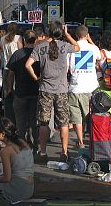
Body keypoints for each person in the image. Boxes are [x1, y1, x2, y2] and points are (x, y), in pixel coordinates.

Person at [25, 22, 80, 163]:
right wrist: (67, 35)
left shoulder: (40, 47)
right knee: (63, 123)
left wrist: (36, 77)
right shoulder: (64, 46)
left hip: (45, 89)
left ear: (48, 32)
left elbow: (28, 65)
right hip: (61, 89)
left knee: (43, 122)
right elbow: (78, 47)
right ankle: (64, 152)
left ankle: (42, 152)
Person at [0, 117, 34, 206]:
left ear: (3, 133)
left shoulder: (6, 151)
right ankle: (2, 199)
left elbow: (6, 178)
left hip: (19, 188)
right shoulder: (22, 142)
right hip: (30, 188)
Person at [68, 25, 103, 149]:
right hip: (91, 87)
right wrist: (91, 41)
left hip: (75, 87)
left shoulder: (72, 47)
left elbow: (68, 68)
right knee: (91, 116)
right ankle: (93, 140)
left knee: (77, 118)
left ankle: (81, 142)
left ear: (76, 35)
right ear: (87, 35)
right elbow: (101, 58)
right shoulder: (93, 48)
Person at [6, 30, 40, 152]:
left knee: (20, 123)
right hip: (36, 92)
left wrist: (9, 89)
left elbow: (10, 73)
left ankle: (21, 147)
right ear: (35, 40)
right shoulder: (38, 53)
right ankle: (36, 147)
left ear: (24, 40)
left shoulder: (17, 54)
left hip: (20, 92)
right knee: (34, 121)